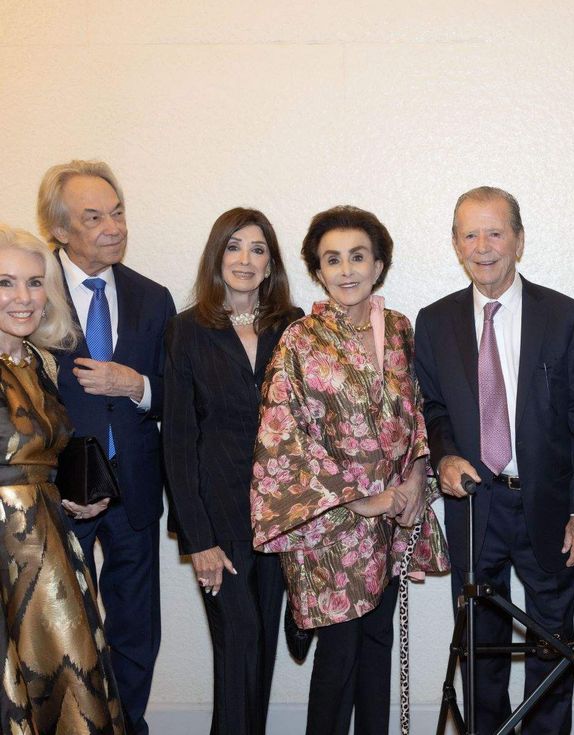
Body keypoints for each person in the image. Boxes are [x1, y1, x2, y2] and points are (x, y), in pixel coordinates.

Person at [413, 186, 574, 735]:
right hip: (475, 506)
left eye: (495, 232)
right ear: (455, 244)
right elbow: (432, 407)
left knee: (553, 650)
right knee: (481, 650)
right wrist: (445, 456)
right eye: (469, 234)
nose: (483, 246)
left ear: (518, 240)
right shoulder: (435, 321)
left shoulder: (563, 313)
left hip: (552, 509)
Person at [250, 205, 448, 735]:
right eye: (331, 260)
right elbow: (282, 435)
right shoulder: (300, 339)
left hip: (392, 520)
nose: (346, 270)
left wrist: (412, 483)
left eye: (357, 257)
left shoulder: (403, 331)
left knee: (378, 647)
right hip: (328, 525)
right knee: (338, 657)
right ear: (317, 271)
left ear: (378, 264)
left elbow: (423, 414)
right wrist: (360, 500)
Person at [37, 160, 176, 735]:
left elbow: (177, 397)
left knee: (137, 629)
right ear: (61, 229)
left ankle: (129, 725)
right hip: (59, 497)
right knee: (61, 628)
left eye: (117, 212)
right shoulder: (31, 294)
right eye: (93, 217)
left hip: (137, 492)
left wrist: (136, 386)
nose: (112, 227)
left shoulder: (153, 297)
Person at [163, 208, 301, 735]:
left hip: (282, 521)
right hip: (216, 521)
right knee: (237, 642)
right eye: (235, 246)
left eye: (258, 248)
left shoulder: (294, 327)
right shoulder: (187, 329)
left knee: (260, 649)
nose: (246, 258)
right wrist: (197, 539)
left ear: (271, 263)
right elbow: (177, 440)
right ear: (218, 256)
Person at [0, 224, 126, 735]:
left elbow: (43, 457)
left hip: (51, 546)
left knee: (68, 685)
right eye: (5, 283)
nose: (24, 298)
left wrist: (76, 497)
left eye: (35, 283)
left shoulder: (42, 362)